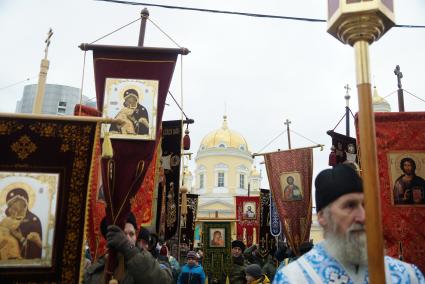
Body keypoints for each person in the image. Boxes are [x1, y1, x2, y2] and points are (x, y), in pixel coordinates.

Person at [273, 164, 425, 283]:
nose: (362, 216)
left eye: (365, 205)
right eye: (350, 206)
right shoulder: (294, 278)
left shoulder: (406, 276)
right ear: (322, 217)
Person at [84, 213, 173, 284]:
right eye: (122, 234)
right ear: (110, 239)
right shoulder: (94, 271)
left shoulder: (148, 263)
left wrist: (128, 249)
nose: (127, 239)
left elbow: (164, 280)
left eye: (131, 234)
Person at [0, 188, 42, 259]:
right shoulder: (8, 219)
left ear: (24, 204)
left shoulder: (33, 220)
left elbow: (36, 247)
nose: (11, 209)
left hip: (23, 258)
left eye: (14, 205)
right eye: (10, 206)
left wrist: (21, 238)